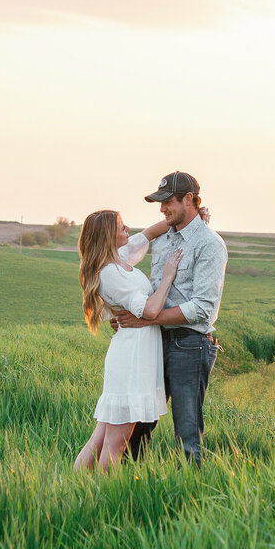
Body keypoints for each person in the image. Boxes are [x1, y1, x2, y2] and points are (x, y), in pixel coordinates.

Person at [112, 171, 228, 465]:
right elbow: (148, 284)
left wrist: (146, 319)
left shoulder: (209, 244)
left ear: (188, 200)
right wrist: (131, 315)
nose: (163, 209)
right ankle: (126, 489)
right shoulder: (165, 237)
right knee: (138, 422)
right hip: (153, 341)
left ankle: (189, 499)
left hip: (189, 344)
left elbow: (201, 308)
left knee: (187, 431)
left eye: (169, 203)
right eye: (160, 204)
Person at [74, 209, 182, 470]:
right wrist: (168, 277)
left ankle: (76, 488)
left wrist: (186, 217)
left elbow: (149, 233)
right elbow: (151, 310)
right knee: (116, 443)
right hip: (131, 358)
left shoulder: (120, 257)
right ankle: (103, 497)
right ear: (107, 235)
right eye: (121, 227)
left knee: (101, 437)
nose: (127, 229)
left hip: (135, 352)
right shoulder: (109, 274)